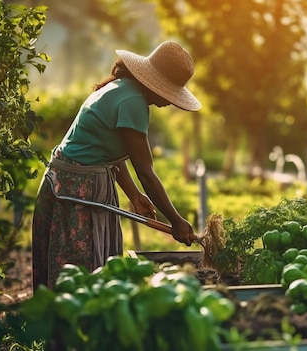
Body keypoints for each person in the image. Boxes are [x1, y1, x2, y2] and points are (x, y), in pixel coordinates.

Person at [32, 40, 202, 290]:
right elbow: (145, 172)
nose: (169, 101)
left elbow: (107, 151)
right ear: (154, 83)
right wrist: (176, 220)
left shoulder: (121, 88)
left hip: (69, 182)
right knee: (80, 276)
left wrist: (134, 195)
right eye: (169, 93)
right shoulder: (133, 102)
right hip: (76, 191)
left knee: (85, 276)